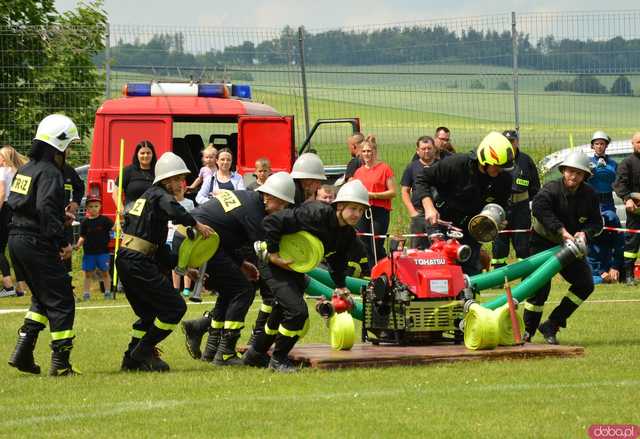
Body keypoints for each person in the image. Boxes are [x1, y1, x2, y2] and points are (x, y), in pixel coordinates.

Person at [243, 180, 370, 372]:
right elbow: (272, 222)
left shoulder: (347, 235)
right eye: (353, 208)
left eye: (361, 210)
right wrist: (274, 254)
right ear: (340, 205)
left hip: (295, 268)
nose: (357, 214)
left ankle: (255, 354)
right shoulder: (316, 213)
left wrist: (341, 285)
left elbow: (338, 262)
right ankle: (278, 359)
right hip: (274, 264)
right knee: (297, 313)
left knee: (281, 310)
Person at [180, 172, 295, 365]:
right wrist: (280, 260)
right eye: (282, 204)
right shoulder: (255, 211)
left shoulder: (248, 200)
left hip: (197, 240)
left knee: (229, 290)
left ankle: (211, 349)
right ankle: (225, 354)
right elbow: (263, 246)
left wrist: (241, 263)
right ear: (268, 197)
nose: (282, 209)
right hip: (198, 242)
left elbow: (225, 234)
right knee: (243, 291)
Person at [116, 152, 214, 372]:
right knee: (175, 307)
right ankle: (143, 351)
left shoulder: (149, 200)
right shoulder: (159, 195)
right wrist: (196, 224)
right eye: (179, 179)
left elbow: (159, 250)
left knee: (148, 314)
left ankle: (131, 360)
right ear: (167, 180)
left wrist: (184, 269)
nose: (182, 184)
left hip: (127, 259)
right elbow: (173, 208)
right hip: (136, 261)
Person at [7, 114, 81, 376]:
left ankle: (23, 352)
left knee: (42, 296)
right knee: (62, 300)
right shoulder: (50, 172)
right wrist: (62, 241)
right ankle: (60, 365)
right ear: (59, 145)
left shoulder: (26, 169)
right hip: (36, 240)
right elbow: (46, 208)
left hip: (17, 238)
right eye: (69, 145)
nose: (70, 151)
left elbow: (19, 205)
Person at [523, 151, 602, 344]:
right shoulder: (550, 189)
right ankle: (528, 332)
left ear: (585, 176)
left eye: (578, 173)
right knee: (539, 288)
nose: (573, 176)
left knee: (585, 284)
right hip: (543, 243)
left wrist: (585, 233)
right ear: (563, 171)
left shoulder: (590, 195)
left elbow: (596, 223)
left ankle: (553, 324)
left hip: (571, 247)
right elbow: (539, 209)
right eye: (570, 171)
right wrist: (561, 231)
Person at [414, 131, 513, 275]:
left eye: (502, 167)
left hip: (471, 229)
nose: (499, 171)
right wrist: (429, 207)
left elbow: (502, 206)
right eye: (496, 166)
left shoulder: (503, 179)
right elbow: (422, 179)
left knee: (470, 271)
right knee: (443, 270)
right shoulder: (457, 164)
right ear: (484, 159)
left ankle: (470, 297)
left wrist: (500, 220)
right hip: (441, 223)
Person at [491, 129, 540, 270]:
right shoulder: (496, 158)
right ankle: (498, 276)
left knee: (523, 242)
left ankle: (526, 275)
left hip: (521, 207)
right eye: (506, 141)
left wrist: (532, 203)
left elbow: (535, 185)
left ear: (517, 142)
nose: (510, 143)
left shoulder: (526, 160)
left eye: (512, 141)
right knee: (499, 242)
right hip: (501, 206)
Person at [353, 135, 396, 264]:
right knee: (364, 243)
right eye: (364, 151)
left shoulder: (384, 168)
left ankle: (385, 268)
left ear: (375, 152)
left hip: (379, 211)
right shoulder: (358, 172)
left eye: (369, 151)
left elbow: (393, 192)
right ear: (360, 153)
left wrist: (374, 195)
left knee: (376, 244)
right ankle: (373, 272)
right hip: (362, 210)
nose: (367, 154)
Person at [400, 136, 438, 249]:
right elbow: (405, 191)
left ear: (434, 149)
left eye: (429, 148)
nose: (426, 151)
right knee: (417, 248)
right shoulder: (412, 167)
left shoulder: (442, 166)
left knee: (438, 247)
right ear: (418, 150)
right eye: (423, 148)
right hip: (419, 214)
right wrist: (412, 212)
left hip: (438, 213)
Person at [0, 145, 28, 298]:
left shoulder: (2, 171)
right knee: (14, 249)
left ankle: (8, 285)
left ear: (4, 158)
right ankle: (21, 287)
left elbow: (2, 192)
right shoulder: (19, 171)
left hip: (4, 210)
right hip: (17, 210)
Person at [613, 132, 640, 285]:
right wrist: (627, 199)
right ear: (632, 143)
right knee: (632, 244)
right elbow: (619, 184)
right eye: (639, 142)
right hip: (635, 211)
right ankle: (629, 275)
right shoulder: (627, 163)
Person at [75, 197, 114, 300]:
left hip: (103, 252)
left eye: (96, 206)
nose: (94, 208)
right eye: (91, 207)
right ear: (87, 208)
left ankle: (107, 292)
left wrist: (119, 223)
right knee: (88, 274)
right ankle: (86, 294)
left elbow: (114, 228)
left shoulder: (105, 220)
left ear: (100, 207)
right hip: (89, 253)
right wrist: (78, 245)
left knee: (105, 272)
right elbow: (82, 236)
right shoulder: (85, 222)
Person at [112, 140, 157, 210]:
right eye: (142, 153)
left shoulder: (158, 171)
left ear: (152, 154)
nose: (145, 155)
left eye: (148, 153)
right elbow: (116, 193)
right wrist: (122, 211)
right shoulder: (127, 171)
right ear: (137, 155)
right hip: (132, 217)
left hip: (153, 217)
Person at [170, 181, 195, 298]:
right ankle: (175, 288)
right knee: (174, 263)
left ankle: (186, 288)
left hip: (186, 236)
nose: (179, 189)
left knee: (187, 262)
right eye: (177, 187)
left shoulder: (189, 203)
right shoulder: (169, 202)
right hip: (171, 235)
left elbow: (193, 218)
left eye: (181, 187)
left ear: (185, 189)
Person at [587, 210, 623, 285]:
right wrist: (601, 272)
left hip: (610, 258)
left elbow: (619, 245)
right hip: (593, 262)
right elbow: (590, 256)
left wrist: (615, 267)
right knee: (588, 279)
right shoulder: (584, 227)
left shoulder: (612, 218)